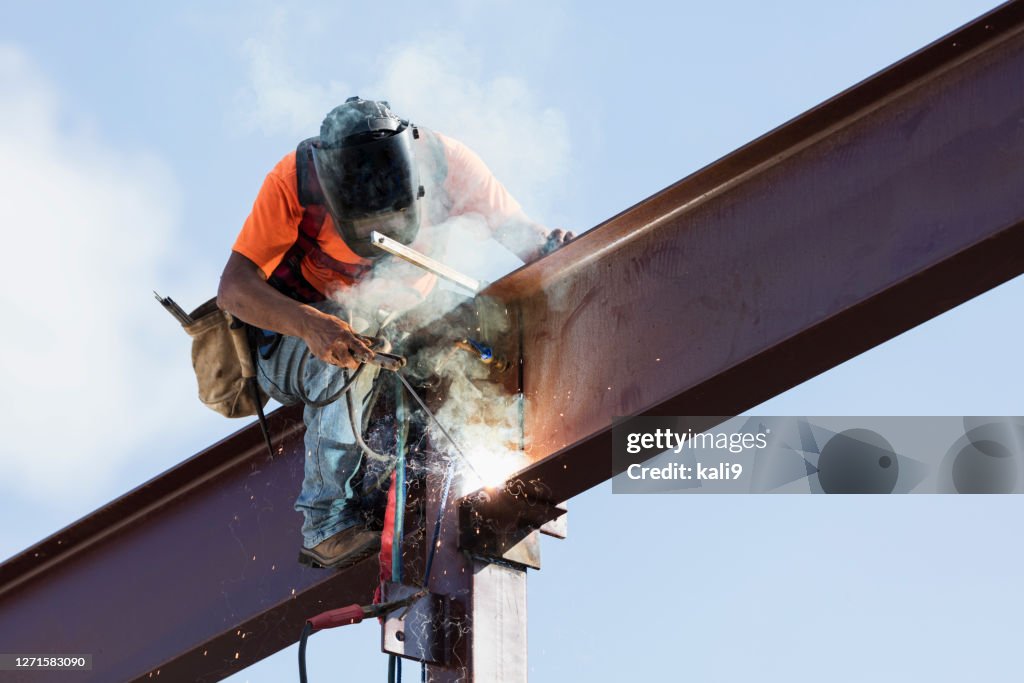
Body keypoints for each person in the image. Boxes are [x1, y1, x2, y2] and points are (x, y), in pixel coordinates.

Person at [217, 97, 572, 568]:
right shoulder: (294, 182)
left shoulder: (449, 166)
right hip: (293, 343)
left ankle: (456, 467)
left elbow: (523, 238)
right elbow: (233, 289)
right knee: (352, 340)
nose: (380, 234)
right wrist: (311, 325)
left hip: (395, 332)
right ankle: (325, 523)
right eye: (366, 227)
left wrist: (560, 254)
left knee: (479, 327)